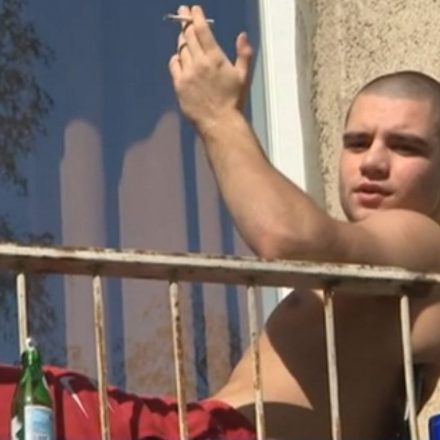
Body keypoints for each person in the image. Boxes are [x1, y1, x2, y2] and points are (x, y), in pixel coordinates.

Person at [2, 4, 440, 439]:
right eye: (357, 143)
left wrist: (218, 115)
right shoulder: (371, 260)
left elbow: (286, 236)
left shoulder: (424, 239)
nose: (373, 162)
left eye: (406, 147)